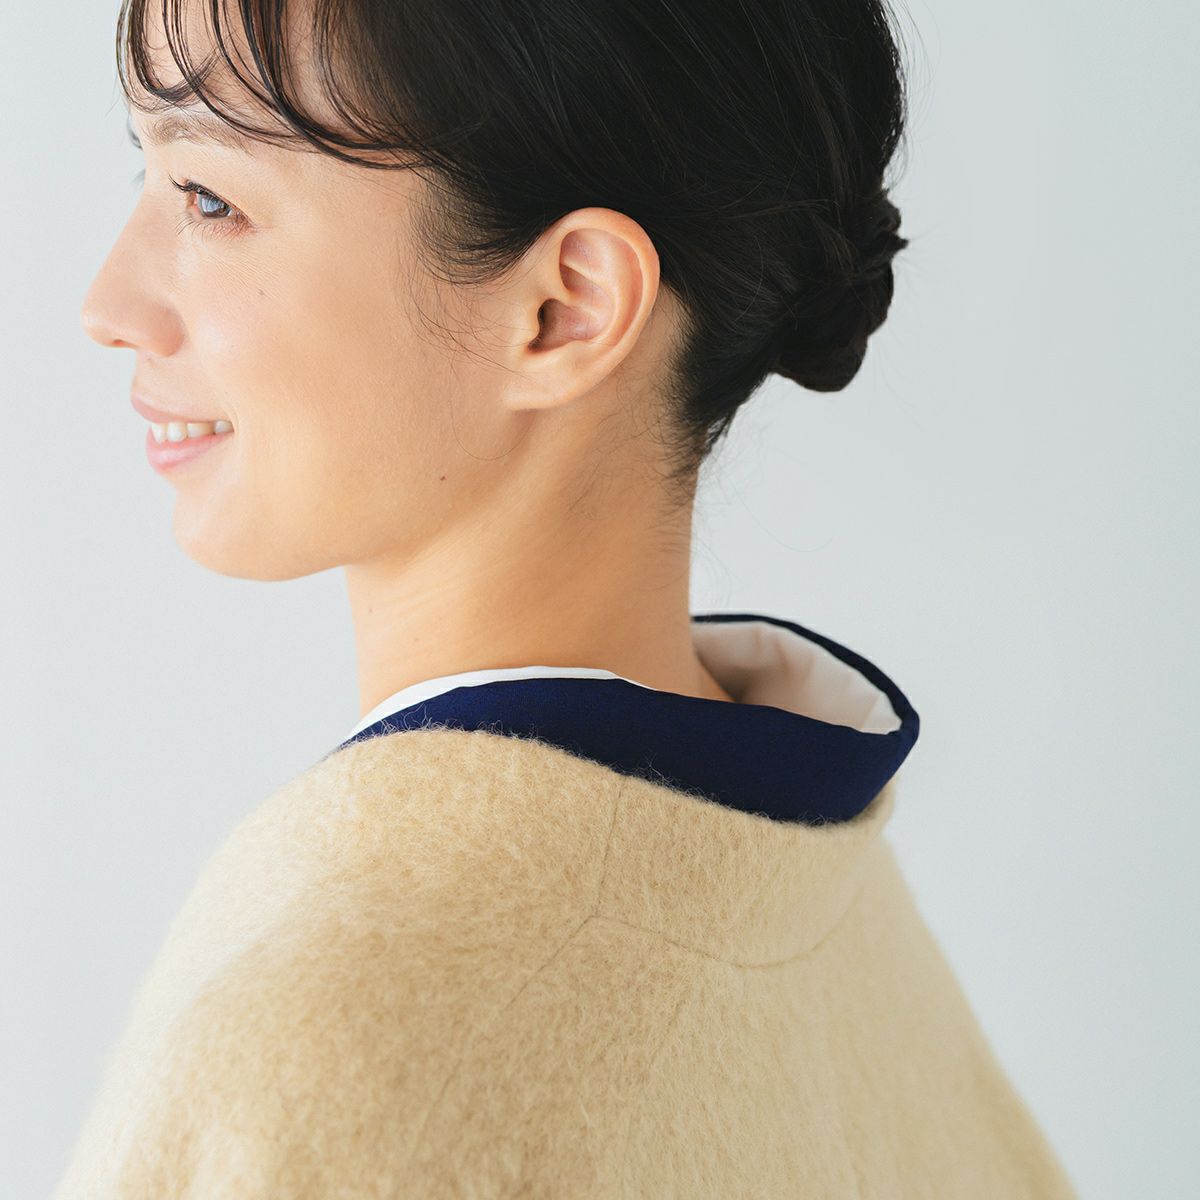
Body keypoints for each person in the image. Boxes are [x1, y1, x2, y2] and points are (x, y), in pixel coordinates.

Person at [59, 0, 1079, 1196]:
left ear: (565, 308)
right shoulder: (820, 899)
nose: (108, 304)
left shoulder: (326, 1044)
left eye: (209, 200)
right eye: (148, 173)